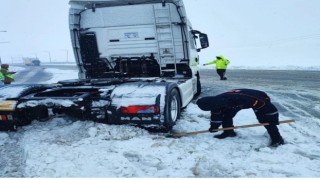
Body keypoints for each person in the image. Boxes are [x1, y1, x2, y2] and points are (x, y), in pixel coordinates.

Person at [196, 89, 285, 147]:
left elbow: (270, 109)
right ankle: (229, 132)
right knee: (226, 115)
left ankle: (277, 139)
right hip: (236, 102)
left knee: (266, 119)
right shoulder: (215, 102)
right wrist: (214, 127)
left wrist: (272, 119)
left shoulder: (241, 99)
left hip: (258, 98)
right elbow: (216, 114)